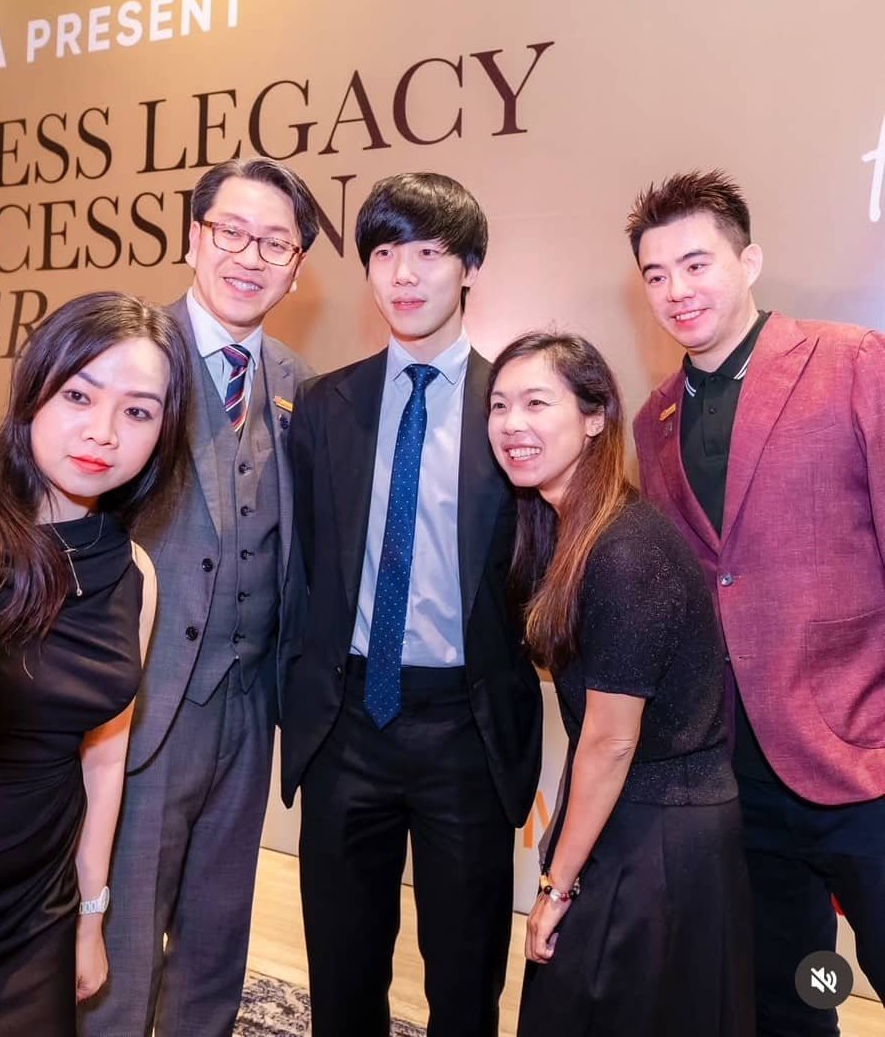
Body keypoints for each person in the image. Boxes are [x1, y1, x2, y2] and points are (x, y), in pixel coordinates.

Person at [281, 171, 542, 1037]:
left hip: (465, 729)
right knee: (341, 974)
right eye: (386, 252)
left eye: (429, 252)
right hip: (347, 723)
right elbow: (314, 561)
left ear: (471, 268)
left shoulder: (513, 411)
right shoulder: (324, 404)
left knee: (465, 984)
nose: (404, 274)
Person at [627, 170, 885, 1035]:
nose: (677, 290)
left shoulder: (851, 362)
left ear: (750, 262)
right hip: (740, 775)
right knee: (797, 993)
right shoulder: (654, 420)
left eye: (696, 264)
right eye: (656, 274)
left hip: (865, 761)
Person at [81, 157, 320, 1037]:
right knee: (122, 937)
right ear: (194, 238)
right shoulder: (133, 358)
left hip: (250, 709)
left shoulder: (296, 382)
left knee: (217, 937)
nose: (250, 257)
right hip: (140, 706)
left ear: (296, 267)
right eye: (232, 232)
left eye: (274, 243)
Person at [0, 291, 191, 1037]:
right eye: (78, 395)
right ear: (33, 388)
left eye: (138, 411)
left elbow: (104, 756)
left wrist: (91, 915)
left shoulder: (134, 574)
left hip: (29, 920)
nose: (103, 431)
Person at [487, 330, 753, 1037]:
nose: (512, 424)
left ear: (595, 417)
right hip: (634, 823)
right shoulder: (569, 532)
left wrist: (555, 887)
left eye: (537, 403)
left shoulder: (625, 550)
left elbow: (609, 742)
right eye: (500, 406)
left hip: (659, 840)